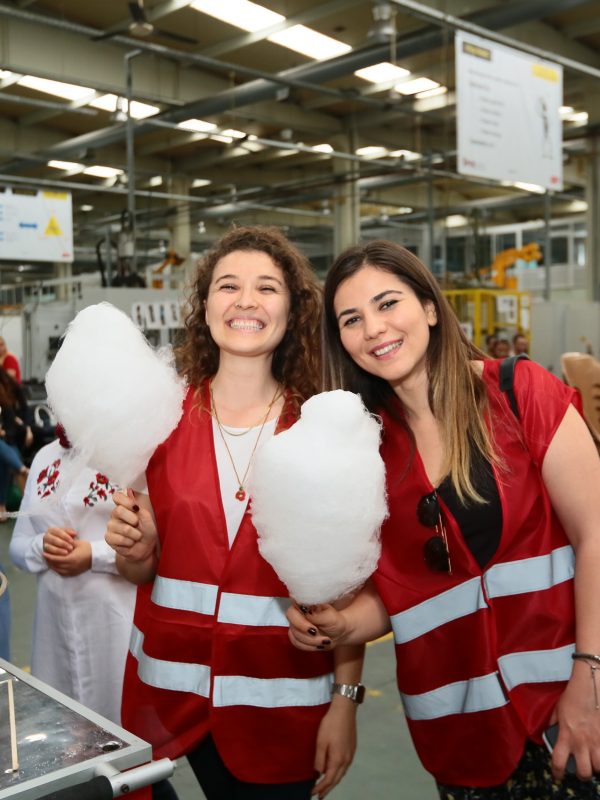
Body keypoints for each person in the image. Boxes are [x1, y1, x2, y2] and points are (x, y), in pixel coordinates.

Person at [287, 240, 600, 798]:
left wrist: (591, 677)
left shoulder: (518, 392)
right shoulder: (365, 453)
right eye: (351, 319)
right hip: (461, 735)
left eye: (388, 303)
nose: (374, 329)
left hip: (567, 708)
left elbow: (595, 534)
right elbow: (406, 594)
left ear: (429, 307)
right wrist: (343, 626)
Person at [106, 226, 364, 800]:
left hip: (282, 703)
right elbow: (140, 570)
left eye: (267, 287)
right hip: (170, 696)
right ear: (205, 306)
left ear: (292, 311)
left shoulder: (323, 427)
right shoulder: (157, 419)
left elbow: (346, 587)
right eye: (228, 286)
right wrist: (136, 550)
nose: (246, 301)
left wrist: (345, 702)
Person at [9, 424, 136, 724]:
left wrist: (92, 554)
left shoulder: (127, 457)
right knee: (59, 722)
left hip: (112, 620)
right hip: (53, 623)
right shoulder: (44, 457)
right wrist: (42, 546)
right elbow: (16, 545)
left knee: (119, 723)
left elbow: (150, 545)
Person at [0, 367, 31, 520]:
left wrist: (5, 433)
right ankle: (22, 468)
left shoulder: (4, 399)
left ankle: (2, 507)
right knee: (5, 453)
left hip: (6, 441)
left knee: (3, 457)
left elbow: (11, 420)